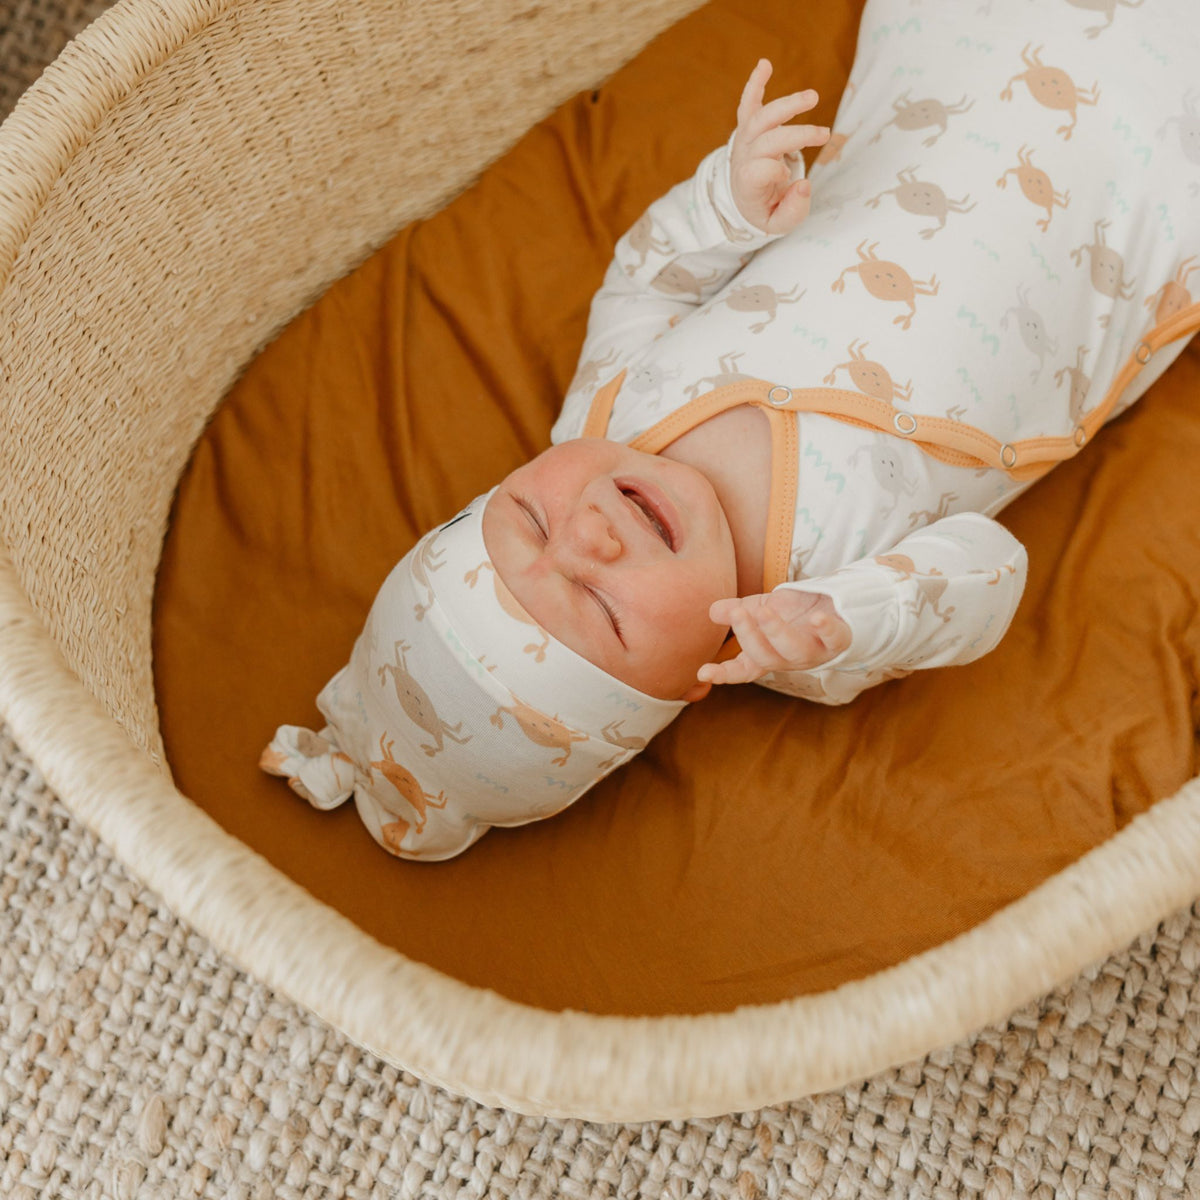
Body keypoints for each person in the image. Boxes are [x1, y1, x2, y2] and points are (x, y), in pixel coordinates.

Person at [262, 0, 1200, 859]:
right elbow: (988, 572)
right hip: (1126, 212)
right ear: (681, 687)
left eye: (531, 520)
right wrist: (852, 620)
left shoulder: (602, 411)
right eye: (601, 607)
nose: (590, 531)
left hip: (944, 96)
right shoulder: (802, 632)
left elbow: (646, 277)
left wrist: (727, 203)